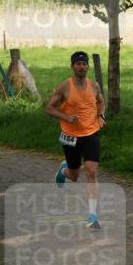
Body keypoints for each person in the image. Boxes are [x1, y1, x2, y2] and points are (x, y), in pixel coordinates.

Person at [46, 50, 106, 229]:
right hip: (71, 136)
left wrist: (101, 116)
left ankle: (92, 215)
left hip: (91, 133)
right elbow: (49, 108)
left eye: (84, 64)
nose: (81, 66)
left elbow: (101, 102)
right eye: (78, 64)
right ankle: (64, 170)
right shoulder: (65, 87)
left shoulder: (94, 85)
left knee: (92, 171)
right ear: (72, 66)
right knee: (74, 175)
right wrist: (66, 117)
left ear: (88, 66)